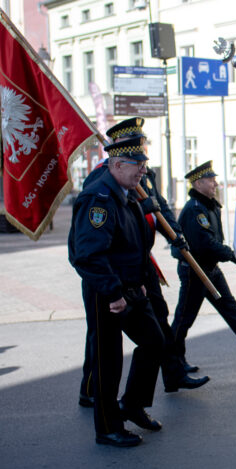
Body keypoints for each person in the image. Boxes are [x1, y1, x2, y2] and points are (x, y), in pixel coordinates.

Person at [78, 118, 208, 408]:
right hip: (112, 274)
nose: (143, 163)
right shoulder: (101, 183)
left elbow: (158, 208)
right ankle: (91, 391)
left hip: (140, 266)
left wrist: (177, 236)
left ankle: (171, 375)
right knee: (104, 345)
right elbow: (90, 246)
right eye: (136, 149)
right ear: (119, 155)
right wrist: (112, 287)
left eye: (142, 146)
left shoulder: (140, 176)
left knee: (157, 326)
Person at [68, 136, 165, 447]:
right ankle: (108, 428)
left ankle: (132, 405)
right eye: (138, 165)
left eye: (144, 164)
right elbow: (87, 255)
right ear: (118, 164)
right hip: (107, 292)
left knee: (155, 342)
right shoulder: (99, 200)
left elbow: (134, 241)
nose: (143, 171)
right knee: (108, 361)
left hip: (132, 286)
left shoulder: (126, 194)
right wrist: (113, 293)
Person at [171, 161, 236, 366]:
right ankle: (174, 363)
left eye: (214, 180)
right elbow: (205, 244)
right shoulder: (195, 209)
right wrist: (231, 255)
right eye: (210, 181)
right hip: (195, 272)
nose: (215, 184)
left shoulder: (208, 206)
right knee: (184, 320)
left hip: (209, 269)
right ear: (198, 183)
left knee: (230, 308)